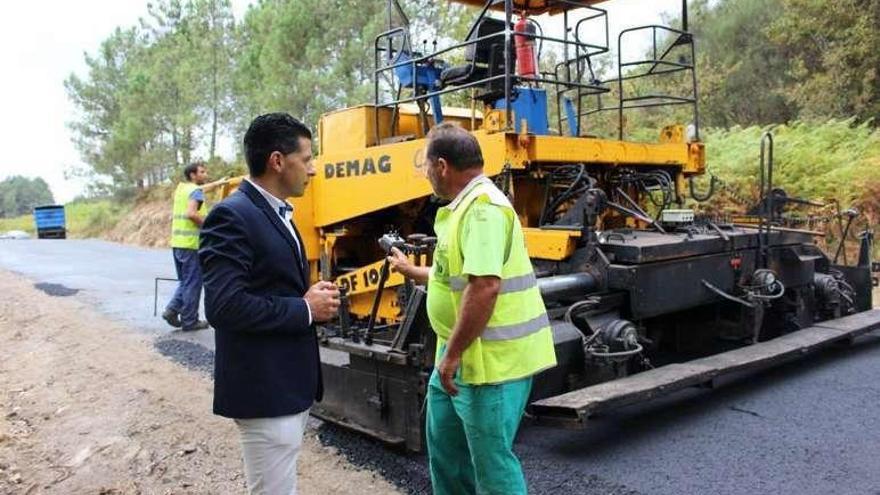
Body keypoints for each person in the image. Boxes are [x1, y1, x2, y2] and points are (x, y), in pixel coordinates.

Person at [388, 122, 557, 495]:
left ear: (442, 166)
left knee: (491, 466)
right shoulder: (462, 208)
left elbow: (484, 287)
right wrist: (411, 270)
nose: (425, 173)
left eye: (426, 165)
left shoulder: (483, 209)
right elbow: (460, 275)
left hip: (490, 365)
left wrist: (451, 357)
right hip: (460, 356)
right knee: (447, 455)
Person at [199, 113, 340, 495]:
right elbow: (224, 306)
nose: (312, 169)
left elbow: (271, 283)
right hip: (264, 391)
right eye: (307, 158)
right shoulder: (232, 215)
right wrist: (305, 308)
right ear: (277, 161)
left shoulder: (277, 213)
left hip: (286, 386)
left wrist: (310, 300)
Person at [162, 161, 226, 332]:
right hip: (192, 245)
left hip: (178, 244)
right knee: (193, 283)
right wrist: (210, 227)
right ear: (193, 175)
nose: (206, 175)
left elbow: (202, 189)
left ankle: (172, 310)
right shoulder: (195, 192)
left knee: (185, 281)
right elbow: (191, 213)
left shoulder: (182, 189)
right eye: (202, 172)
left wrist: (219, 183)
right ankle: (190, 321)